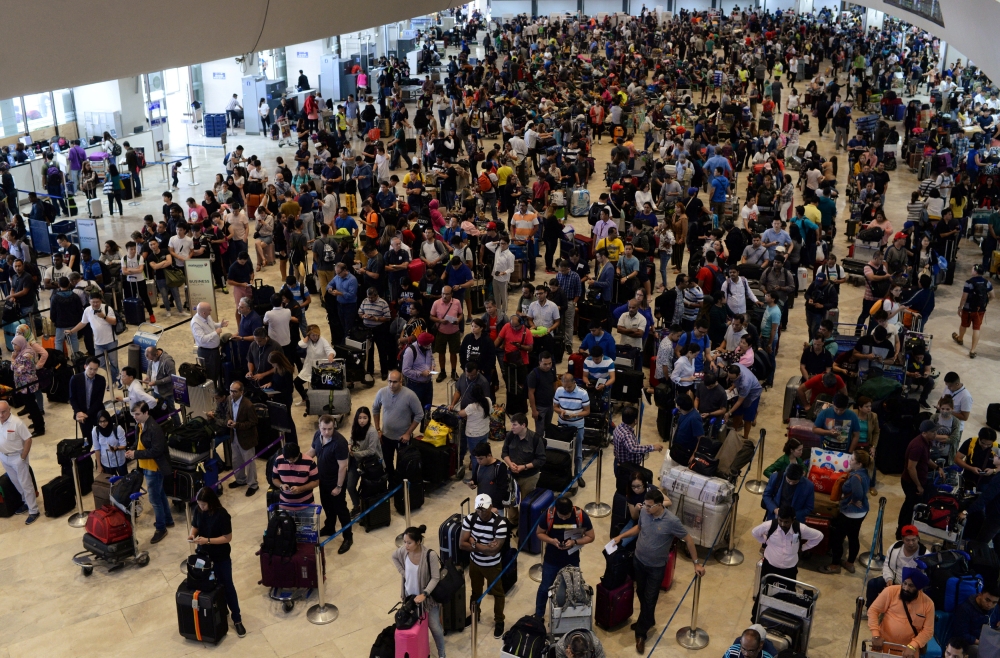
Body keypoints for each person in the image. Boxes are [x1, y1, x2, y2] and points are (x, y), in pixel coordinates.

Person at [610, 487, 705, 654]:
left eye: (649, 506)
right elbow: (639, 528)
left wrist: (696, 563)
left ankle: (641, 634)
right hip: (639, 561)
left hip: (656, 567)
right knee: (640, 591)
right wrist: (621, 536)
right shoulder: (645, 513)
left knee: (650, 598)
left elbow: (688, 539)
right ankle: (648, 619)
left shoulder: (672, 521)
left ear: (660, 505)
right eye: (645, 505)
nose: (645, 509)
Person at [188, 486, 247, 638]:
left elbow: (227, 538)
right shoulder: (198, 510)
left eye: (203, 504)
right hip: (203, 556)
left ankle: (237, 619)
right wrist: (192, 535)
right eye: (199, 504)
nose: (201, 507)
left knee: (227, 585)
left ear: (211, 502)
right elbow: (195, 526)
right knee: (207, 585)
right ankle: (220, 610)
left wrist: (207, 540)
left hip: (220, 556)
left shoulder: (222, 515)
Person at [751, 505, 823, 616]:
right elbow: (755, 532)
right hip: (770, 566)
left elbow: (819, 536)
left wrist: (803, 548)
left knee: (789, 594)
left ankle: (784, 617)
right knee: (764, 591)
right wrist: (766, 542)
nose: (783, 524)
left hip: (789, 569)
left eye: (786, 522)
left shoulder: (801, 529)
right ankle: (757, 616)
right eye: (780, 521)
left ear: (793, 519)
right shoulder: (770, 525)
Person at [533, 496, 596, 618]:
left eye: (566, 517)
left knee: (573, 589)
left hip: (572, 559)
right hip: (552, 559)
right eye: (561, 516)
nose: (563, 518)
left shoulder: (580, 515)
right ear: (556, 510)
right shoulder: (548, 515)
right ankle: (539, 615)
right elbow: (539, 533)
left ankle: (569, 616)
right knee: (545, 587)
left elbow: (591, 536)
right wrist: (552, 541)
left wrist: (575, 542)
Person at [392, 525, 447, 658]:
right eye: (404, 542)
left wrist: (425, 594)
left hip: (428, 601)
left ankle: (442, 654)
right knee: (414, 627)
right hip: (410, 599)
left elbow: (435, 577)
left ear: (418, 542)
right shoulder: (403, 552)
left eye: (409, 542)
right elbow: (394, 557)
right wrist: (403, 573)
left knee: (435, 628)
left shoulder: (430, 555)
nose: (406, 545)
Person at [460, 493, 510, 639]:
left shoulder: (500, 524)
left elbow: (493, 551)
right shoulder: (471, 518)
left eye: (484, 509)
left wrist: (474, 542)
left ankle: (499, 620)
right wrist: (481, 546)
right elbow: (462, 544)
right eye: (479, 509)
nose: (481, 512)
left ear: (491, 507)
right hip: (475, 563)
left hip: (492, 565)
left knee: (498, 593)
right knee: (475, 592)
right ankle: (475, 614)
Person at [124, 402, 172, 543]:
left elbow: (156, 451)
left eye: (138, 414)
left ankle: (161, 528)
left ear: (146, 413)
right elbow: (138, 442)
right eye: (134, 414)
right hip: (146, 466)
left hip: (154, 468)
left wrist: (136, 454)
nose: (135, 417)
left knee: (154, 500)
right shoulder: (140, 425)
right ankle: (167, 519)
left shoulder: (154, 428)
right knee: (161, 494)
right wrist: (131, 450)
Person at [306, 414, 353, 554]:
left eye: (329, 429)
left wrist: (338, 487)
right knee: (326, 504)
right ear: (319, 427)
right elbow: (312, 452)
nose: (326, 432)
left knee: (341, 509)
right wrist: (299, 461)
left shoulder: (340, 443)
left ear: (334, 427)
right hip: (322, 479)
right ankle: (330, 526)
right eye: (324, 429)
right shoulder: (317, 435)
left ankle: (348, 537)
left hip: (336, 481)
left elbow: (343, 467)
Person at [820, 450, 872, 574]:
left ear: (859, 464)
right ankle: (849, 563)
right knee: (853, 537)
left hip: (849, 513)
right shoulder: (866, 473)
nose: (850, 460)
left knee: (837, 537)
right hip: (861, 512)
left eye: (853, 459)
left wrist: (854, 500)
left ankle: (835, 565)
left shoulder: (855, 477)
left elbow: (858, 493)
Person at [898, 419, 949, 539]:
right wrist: (918, 485)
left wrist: (938, 467)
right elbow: (911, 468)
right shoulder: (917, 446)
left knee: (913, 506)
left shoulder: (927, 441)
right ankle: (902, 533)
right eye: (933, 432)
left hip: (918, 480)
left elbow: (926, 459)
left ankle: (907, 530)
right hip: (911, 482)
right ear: (924, 432)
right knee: (909, 507)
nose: (935, 434)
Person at [868, 568, 936, 657]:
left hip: (908, 652)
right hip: (883, 646)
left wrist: (913, 646)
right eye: (904, 583)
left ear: (918, 588)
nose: (906, 588)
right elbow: (873, 610)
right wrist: (875, 635)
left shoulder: (928, 604)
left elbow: (928, 631)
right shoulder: (890, 591)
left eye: (911, 586)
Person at [372, 370, 424, 482]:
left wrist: (408, 433)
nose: (391, 384)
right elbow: (375, 409)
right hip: (386, 437)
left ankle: (401, 489)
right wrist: (378, 429)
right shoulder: (382, 392)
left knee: (403, 466)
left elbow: (419, 414)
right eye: (389, 381)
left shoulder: (410, 395)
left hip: (403, 439)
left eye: (395, 382)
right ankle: (391, 484)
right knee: (388, 464)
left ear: (401, 381)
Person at [866, 525, 928, 609]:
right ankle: (870, 609)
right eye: (907, 540)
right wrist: (889, 579)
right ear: (902, 539)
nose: (911, 543)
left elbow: (926, 578)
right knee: (872, 584)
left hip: (912, 588)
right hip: (894, 580)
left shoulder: (925, 555)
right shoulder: (894, 548)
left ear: (918, 538)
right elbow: (887, 565)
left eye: (913, 540)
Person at [66, 293, 119, 385]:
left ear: (100, 301)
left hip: (111, 341)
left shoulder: (107, 308)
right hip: (98, 343)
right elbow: (83, 323)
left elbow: (114, 322)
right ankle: (111, 379)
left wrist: (104, 316)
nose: (95, 304)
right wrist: (72, 331)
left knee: (114, 363)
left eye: (97, 302)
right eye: (93, 302)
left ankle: (117, 379)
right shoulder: (87, 310)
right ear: (89, 302)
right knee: (101, 364)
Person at [0, 400, 39, 524]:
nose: (1, 415)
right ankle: (26, 502)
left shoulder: (17, 423)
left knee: (25, 483)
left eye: (3, 412)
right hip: (4, 457)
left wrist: (23, 457)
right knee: (15, 481)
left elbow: (28, 439)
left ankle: (34, 510)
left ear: (9, 410)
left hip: (17, 457)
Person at [553, 372, 590, 483]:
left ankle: (578, 474)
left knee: (578, 452)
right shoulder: (559, 390)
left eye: (569, 387)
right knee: (562, 450)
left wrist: (576, 415)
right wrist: (561, 411)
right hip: (563, 425)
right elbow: (555, 407)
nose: (567, 389)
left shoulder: (583, 393)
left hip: (577, 426)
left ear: (574, 383)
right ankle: (564, 474)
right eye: (564, 386)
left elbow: (587, 411)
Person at [953, 264, 994, 359]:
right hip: (980, 310)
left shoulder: (969, 282)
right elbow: (993, 296)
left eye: (972, 269)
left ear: (975, 271)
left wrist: (960, 307)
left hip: (968, 309)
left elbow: (964, 298)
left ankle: (960, 339)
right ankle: (972, 350)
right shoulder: (987, 283)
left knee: (964, 324)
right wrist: (985, 302)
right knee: (976, 328)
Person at [501, 412, 547, 498]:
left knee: (525, 504)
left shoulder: (535, 439)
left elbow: (541, 460)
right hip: (513, 475)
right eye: (511, 424)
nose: (511, 427)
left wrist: (524, 467)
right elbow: (504, 453)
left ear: (523, 425)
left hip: (529, 476)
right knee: (511, 504)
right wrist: (510, 464)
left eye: (515, 425)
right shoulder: (510, 436)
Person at [612, 405, 663, 474]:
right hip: (627, 468)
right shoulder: (626, 434)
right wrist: (653, 447)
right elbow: (633, 448)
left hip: (619, 462)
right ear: (635, 420)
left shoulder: (618, 427)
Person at [950, 583, 1000, 653]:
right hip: (972, 643)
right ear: (980, 595)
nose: (989, 605)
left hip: (990, 640)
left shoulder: (995, 608)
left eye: (994, 602)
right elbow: (961, 634)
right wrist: (981, 642)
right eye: (987, 600)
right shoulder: (965, 609)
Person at [10, 336, 44, 435]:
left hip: (28, 385)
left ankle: (39, 428)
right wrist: (14, 361)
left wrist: (13, 359)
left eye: (15, 344)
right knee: (31, 406)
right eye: (13, 344)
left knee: (32, 406)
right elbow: (13, 368)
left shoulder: (27, 354)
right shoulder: (20, 353)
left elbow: (20, 370)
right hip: (22, 385)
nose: (14, 346)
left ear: (21, 343)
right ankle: (37, 422)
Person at [190, 302, 229, 385]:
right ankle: (212, 393)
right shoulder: (195, 323)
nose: (211, 310)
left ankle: (218, 392)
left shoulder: (207, 316)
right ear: (203, 313)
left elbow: (212, 324)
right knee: (211, 375)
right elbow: (202, 339)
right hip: (206, 353)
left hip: (214, 351)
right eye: (209, 310)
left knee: (217, 371)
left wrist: (220, 325)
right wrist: (216, 332)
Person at [725, 363, 764, 443]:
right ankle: (734, 434)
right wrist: (733, 386)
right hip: (741, 391)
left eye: (733, 379)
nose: (731, 380)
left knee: (747, 418)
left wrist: (729, 412)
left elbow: (740, 401)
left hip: (752, 394)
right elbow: (734, 381)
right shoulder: (735, 366)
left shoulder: (745, 382)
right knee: (737, 414)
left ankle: (745, 438)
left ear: (738, 375)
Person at [70, 357, 106, 441]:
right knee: (87, 439)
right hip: (82, 415)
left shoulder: (101, 380)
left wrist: (87, 414)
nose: (92, 372)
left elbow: (99, 400)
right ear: (85, 366)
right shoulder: (75, 379)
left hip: (96, 413)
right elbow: (72, 398)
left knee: (102, 437)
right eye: (90, 369)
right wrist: (78, 412)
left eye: (95, 369)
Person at [272, 441, 319, 507]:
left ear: (298, 454)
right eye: (287, 460)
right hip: (284, 505)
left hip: (305, 505)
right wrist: (281, 485)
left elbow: (316, 482)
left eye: (293, 459)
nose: (290, 462)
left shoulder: (309, 462)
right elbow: (274, 479)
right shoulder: (278, 460)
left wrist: (301, 488)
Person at [92, 410, 127, 477]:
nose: (102, 424)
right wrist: (99, 465)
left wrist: (116, 448)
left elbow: (124, 445)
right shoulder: (95, 431)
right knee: (111, 484)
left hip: (119, 461)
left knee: (124, 482)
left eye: (105, 421)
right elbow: (97, 449)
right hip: (106, 463)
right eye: (100, 421)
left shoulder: (117, 429)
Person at [143, 347, 176, 411]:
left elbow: (172, 377)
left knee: (171, 411)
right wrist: (148, 376)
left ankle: (176, 421)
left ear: (156, 354)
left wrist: (156, 382)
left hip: (166, 393)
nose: (151, 361)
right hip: (154, 390)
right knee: (158, 411)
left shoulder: (168, 361)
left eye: (152, 359)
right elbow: (149, 368)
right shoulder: (151, 358)